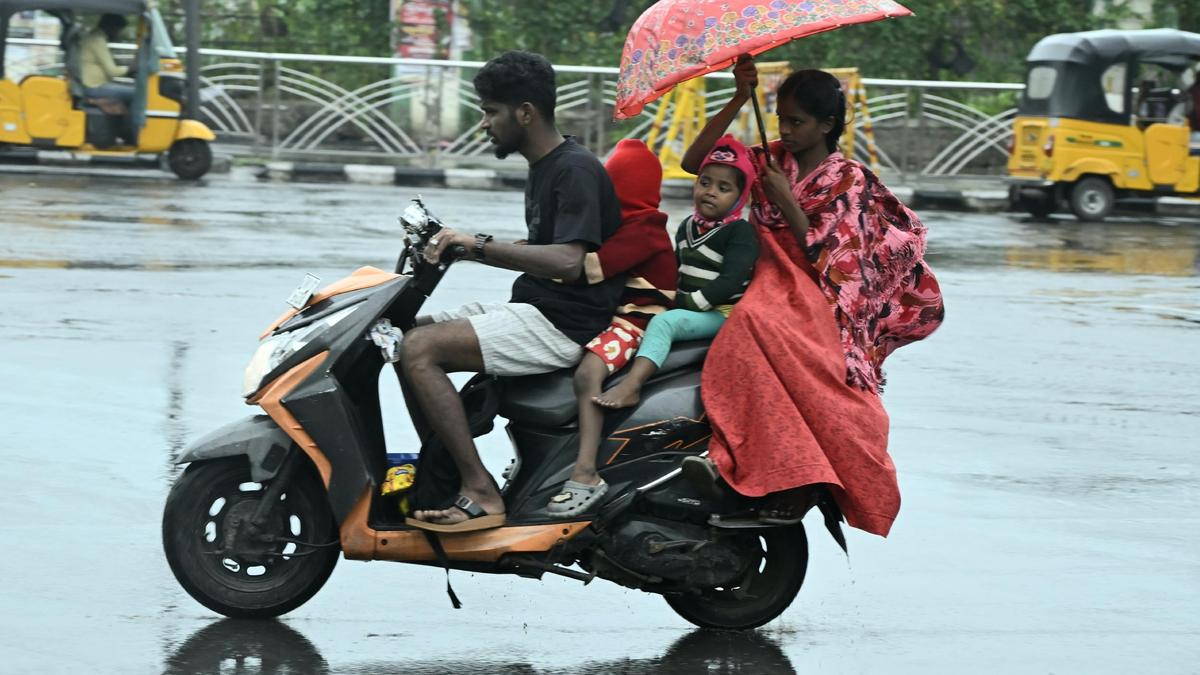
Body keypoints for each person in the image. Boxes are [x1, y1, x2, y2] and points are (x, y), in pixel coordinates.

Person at [680, 57, 944, 535]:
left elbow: (835, 256)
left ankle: (782, 469)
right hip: (761, 269)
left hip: (809, 281)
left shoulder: (850, 179)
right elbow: (694, 162)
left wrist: (784, 201)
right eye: (781, 118)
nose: (787, 129)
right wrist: (739, 97)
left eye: (797, 121)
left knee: (756, 328)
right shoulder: (766, 158)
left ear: (826, 124)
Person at [403, 51, 624, 533]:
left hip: (565, 321)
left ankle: (478, 489)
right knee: (403, 334)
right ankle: (443, 474)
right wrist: (462, 247)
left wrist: (478, 245)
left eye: (490, 111)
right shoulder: (544, 165)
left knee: (420, 351)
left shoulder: (574, 169)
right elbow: (540, 250)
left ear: (525, 112)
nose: (484, 123)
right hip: (538, 307)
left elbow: (568, 261)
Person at [546, 139, 678, 517]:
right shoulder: (628, 225)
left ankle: (586, 472)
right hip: (618, 314)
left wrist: (543, 262)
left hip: (638, 322)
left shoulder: (645, 230)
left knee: (588, 372)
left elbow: (590, 269)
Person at [594, 135, 759, 410]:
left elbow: (731, 280)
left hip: (721, 311)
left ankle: (632, 385)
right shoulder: (687, 225)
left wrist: (691, 301)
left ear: (740, 197)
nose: (711, 191)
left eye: (724, 188)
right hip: (689, 304)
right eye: (704, 182)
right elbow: (676, 267)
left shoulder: (739, 232)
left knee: (663, 324)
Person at [80, 14, 135, 106]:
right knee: (139, 94)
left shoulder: (93, 36)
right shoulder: (97, 40)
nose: (118, 34)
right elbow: (112, 71)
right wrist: (131, 68)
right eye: (118, 30)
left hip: (94, 85)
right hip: (93, 87)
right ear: (110, 27)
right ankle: (136, 120)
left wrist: (126, 65)